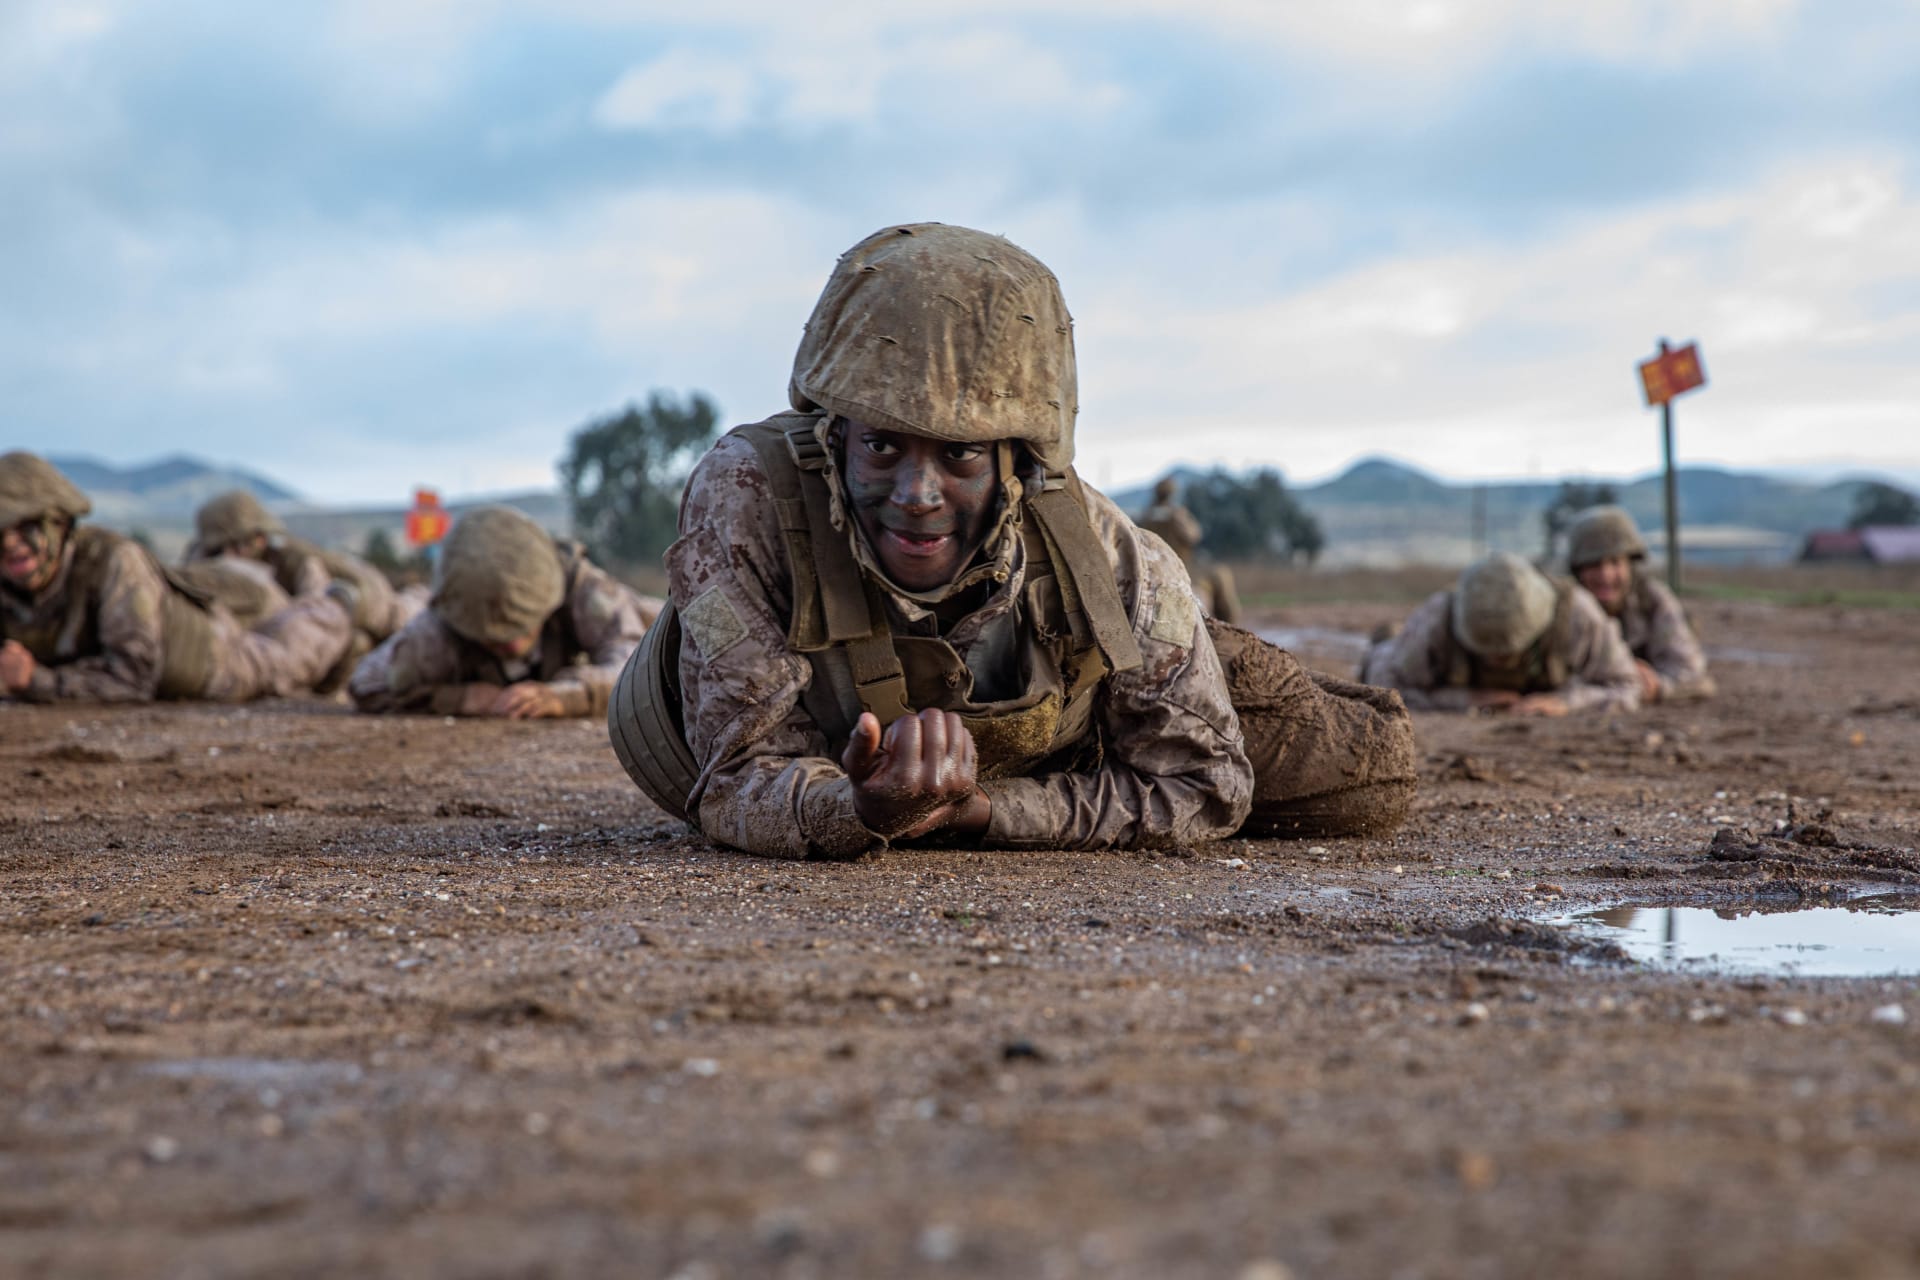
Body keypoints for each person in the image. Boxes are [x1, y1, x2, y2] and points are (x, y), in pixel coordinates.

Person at [607, 223, 1417, 859]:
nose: (917, 496)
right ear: (836, 432)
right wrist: (853, 809)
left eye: (960, 454)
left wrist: (986, 811)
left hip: (1063, 735)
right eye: (883, 444)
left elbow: (1204, 785)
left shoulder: (1113, 556)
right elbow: (736, 777)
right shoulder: (746, 496)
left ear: (1018, 462)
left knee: (1368, 774)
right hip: (776, 729)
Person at [0, 451, 355, 703]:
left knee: (286, 659)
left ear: (60, 524)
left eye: (26, 526)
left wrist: (37, 680)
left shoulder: (113, 561)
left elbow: (132, 677)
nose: (11, 543)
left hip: (214, 660)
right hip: (203, 614)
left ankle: (338, 612)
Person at [348, 505, 658, 719]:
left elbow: (634, 665)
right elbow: (368, 683)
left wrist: (572, 694)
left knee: (662, 620)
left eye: (524, 627)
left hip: (632, 620)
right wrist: (462, 698)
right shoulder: (444, 622)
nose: (511, 644)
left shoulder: (583, 588)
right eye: (493, 639)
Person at [1359, 550, 1641, 715]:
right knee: (1386, 650)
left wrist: (1566, 701)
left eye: (1508, 653)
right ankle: (1392, 635)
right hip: (1420, 658)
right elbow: (1385, 682)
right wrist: (1462, 700)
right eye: (1487, 652)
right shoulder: (1439, 616)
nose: (1497, 660)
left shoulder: (1577, 615)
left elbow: (1627, 685)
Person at [189, 490, 423, 687]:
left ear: (259, 538)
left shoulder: (294, 557)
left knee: (399, 624)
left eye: (240, 545)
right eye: (221, 549)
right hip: (332, 613)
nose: (232, 554)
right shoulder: (212, 561)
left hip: (366, 599)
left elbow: (321, 606)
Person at [1566, 505, 1715, 703]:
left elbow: (1692, 674)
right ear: (1578, 570)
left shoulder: (1652, 600)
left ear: (1630, 564)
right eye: (1594, 564)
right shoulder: (1566, 609)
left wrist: (1655, 685)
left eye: (1615, 562)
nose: (1605, 575)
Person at [1138, 475, 1242, 623]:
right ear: (1172, 493)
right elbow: (1193, 536)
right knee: (1221, 575)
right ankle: (1231, 627)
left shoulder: (1145, 516)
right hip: (1177, 572)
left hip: (1151, 574)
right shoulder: (1176, 514)